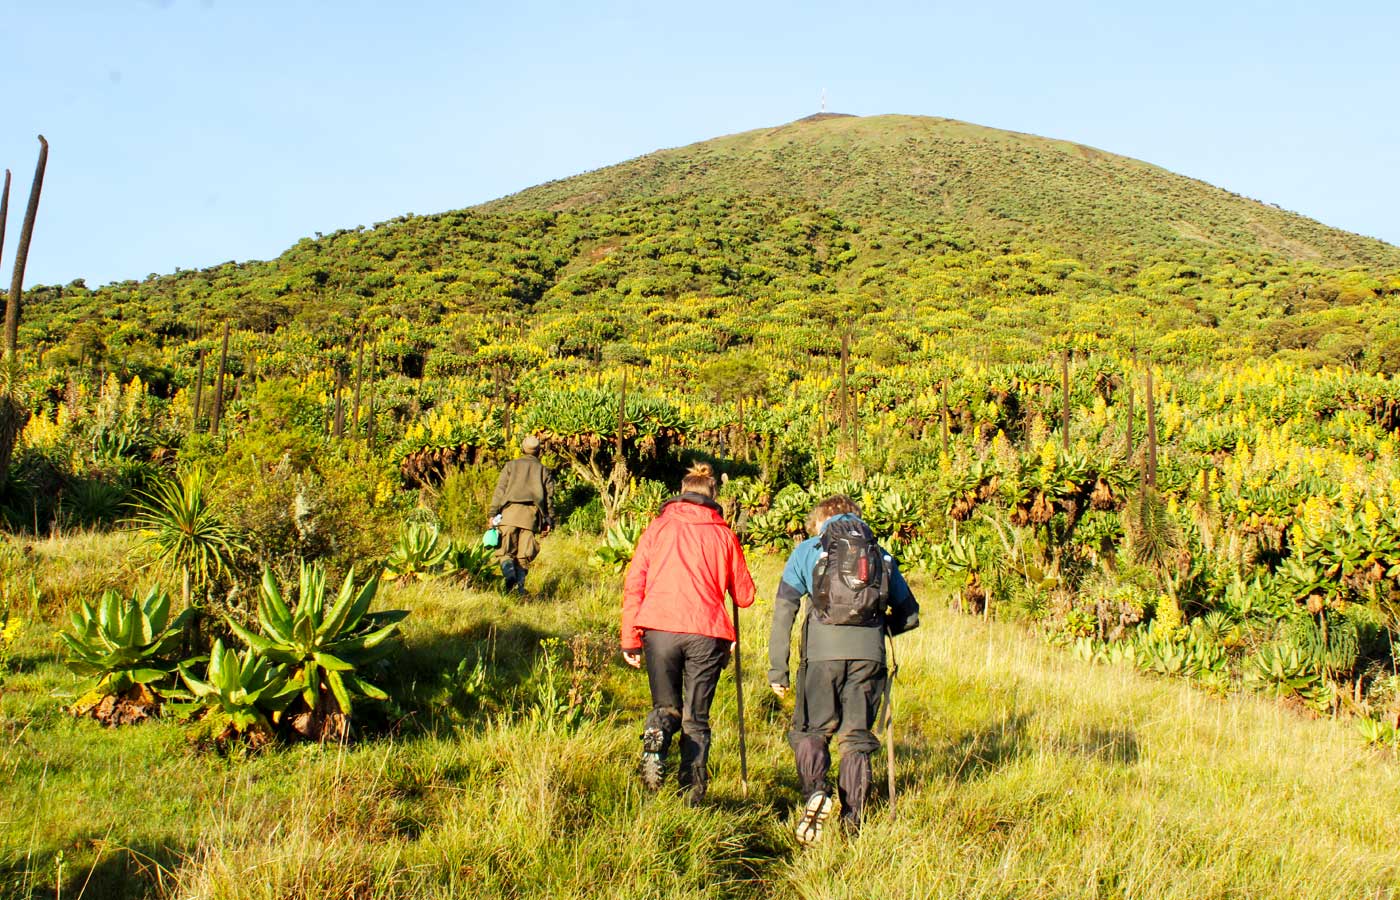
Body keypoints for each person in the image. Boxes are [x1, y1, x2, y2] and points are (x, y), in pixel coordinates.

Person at [768, 494, 919, 844]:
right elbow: (910, 615)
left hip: (821, 655)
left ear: (821, 521)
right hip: (870, 656)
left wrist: (778, 670)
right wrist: (879, 629)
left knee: (810, 730)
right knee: (856, 738)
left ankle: (816, 792)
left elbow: (784, 611)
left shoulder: (808, 550)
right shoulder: (880, 554)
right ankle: (852, 824)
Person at [621, 463, 756, 805]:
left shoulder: (657, 528)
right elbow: (745, 596)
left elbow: (634, 584)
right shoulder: (724, 534)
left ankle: (657, 731)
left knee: (667, 706)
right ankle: (691, 796)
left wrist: (630, 639)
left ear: (681, 493)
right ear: (713, 496)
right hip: (707, 633)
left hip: (659, 629)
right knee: (696, 719)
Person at [488, 435, 554, 594]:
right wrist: (549, 520)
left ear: (522, 449)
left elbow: (500, 491)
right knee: (523, 556)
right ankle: (520, 590)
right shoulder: (544, 470)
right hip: (530, 518)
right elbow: (549, 498)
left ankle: (509, 574)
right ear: (539, 451)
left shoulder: (511, 466)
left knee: (505, 553)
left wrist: (492, 513)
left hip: (508, 515)